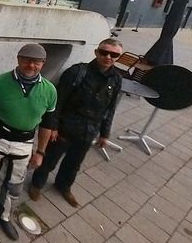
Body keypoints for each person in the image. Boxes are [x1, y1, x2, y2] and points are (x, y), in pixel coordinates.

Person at [0, 43, 57, 241]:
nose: (31, 65)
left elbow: (47, 124)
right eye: (27, 59)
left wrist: (41, 152)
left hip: (24, 141)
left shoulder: (50, 91)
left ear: (43, 63)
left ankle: (3, 212)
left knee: (15, 182)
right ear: (18, 59)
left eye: (37, 62)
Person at [28, 38, 124, 207]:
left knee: (74, 164)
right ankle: (37, 184)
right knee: (50, 160)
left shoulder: (116, 79)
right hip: (66, 127)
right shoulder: (78, 72)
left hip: (88, 131)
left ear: (118, 57)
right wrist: (53, 127)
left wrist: (105, 133)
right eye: (104, 52)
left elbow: (110, 108)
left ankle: (63, 186)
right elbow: (57, 102)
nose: (108, 57)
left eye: (114, 54)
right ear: (96, 52)